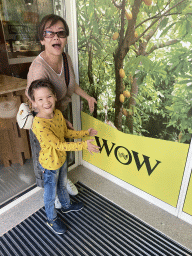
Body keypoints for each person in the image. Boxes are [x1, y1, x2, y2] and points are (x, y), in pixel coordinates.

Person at [25, 14, 97, 197]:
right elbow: (40, 103)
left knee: (60, 152)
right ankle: (52, 193)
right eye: (49, 33)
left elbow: (71, 85)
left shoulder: (65, 58)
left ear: (65, 38)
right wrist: (61, 120)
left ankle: (62, 181)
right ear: (42, 39)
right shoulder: (39, 69)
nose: (56, 37)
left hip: (57, 115)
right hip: (43, 120)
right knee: (48, 158)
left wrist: (87, 97)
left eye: (61, 33)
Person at [28, 79, 100, 234]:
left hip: (61, 159)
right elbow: (59, 144)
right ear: (34, 103)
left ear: (54, 96)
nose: (46, 102)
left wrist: (84, 134)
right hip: (49, 165)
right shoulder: (39, 125)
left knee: (62, 185)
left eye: (48, 97)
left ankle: (66, 206)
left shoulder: (58, 114)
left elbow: (66, 134)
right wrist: (83, 144)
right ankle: (51, 219)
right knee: (49, 194)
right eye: (40, 99)